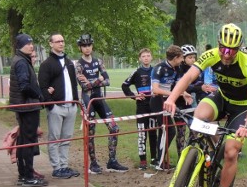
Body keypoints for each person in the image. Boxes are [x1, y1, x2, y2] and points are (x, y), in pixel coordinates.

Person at [164, 23, 247, 187]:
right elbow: (189, 76)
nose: (226, 54)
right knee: (199, 116)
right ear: (218, 44)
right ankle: (206, 149)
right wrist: (171, 98)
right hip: (222, 99)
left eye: (231, 50)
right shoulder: (212, 55)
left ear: (239, 48)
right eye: (223, 48)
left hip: (241, 107)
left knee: (231, 152)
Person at [75, 33, 128, 174]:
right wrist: (98, 80)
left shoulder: (98, 61)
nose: (87, 48)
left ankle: (112, 161)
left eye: (89, 45)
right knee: (91, 132)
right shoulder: (78, 64)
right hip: (87, 100)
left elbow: (108, 80)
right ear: (80, 48)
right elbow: (84, 86)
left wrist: (93, 81)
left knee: (114, 128)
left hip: (99, 98)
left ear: (92, 46)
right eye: (84, 46)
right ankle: (93, 163)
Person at [38, 33, 80, 179]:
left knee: (66, 138)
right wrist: (51, 105)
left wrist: (75, 101)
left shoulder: (69, 63)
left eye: (62, 41)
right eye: (58, 41)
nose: (61, 44)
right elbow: (43, 87)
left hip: (71, 106)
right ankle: (57, 167)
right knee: (55, 138)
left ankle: (64, 165)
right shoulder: (47, 64)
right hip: (57, 107)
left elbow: (73, 84)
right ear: (51, 44)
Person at [8, 34, 47, 187]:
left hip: (24, 106)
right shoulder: (21, 62)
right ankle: (28, 176)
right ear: (20, 46)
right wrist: (38, 95)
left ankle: (24, 174)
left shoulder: (22, 60)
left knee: (24, 141)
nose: (31, 46)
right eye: (28, 44)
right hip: (27, 107)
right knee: (28, 142)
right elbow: (24, 85)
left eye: (32, 43)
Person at [151, 45, 192, 170]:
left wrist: (184, 93)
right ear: (175, 58)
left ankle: (160, 159)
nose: (182, 61)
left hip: (168, 100)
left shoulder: (177, 68)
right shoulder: (159, 68)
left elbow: (179, 84)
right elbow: (156, 89)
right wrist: (175, 94)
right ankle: (159, 160)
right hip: (157, 101)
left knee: (167, 130)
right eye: (181, 58)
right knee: (168, 130)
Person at [121, 48, 157, 171]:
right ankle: (142, 160)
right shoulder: (136, 72)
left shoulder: (156, 71)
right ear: (140, 58)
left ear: (151, 57)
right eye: (143, 56)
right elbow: (124, 85)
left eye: (148, 55)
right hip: (141, 107)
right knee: (142, 134)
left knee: (153, 132)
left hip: (153, 106)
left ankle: (154, 159)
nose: (146, 58)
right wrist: (134, 96)